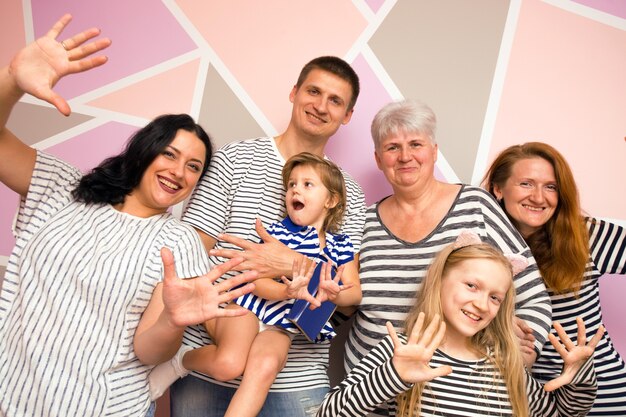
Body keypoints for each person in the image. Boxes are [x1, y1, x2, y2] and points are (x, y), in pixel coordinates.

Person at [0, 15, 256, 417]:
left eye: (194, 166)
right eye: (169, 154)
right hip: (11, 393)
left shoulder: (178, 242)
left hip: (98, 406)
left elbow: (147, 349)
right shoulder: (62, 188)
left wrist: (173, 321)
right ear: (143, 150)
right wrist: (13, 79)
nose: (178, 171)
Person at [170, 56, 367, 416]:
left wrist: (290, 264)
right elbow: (192, 249)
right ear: (294, 93)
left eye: (335, 101)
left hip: (298, 377)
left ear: (347, 115)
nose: (321, 106)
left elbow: (349, 299)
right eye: (313, 91)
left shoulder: (349, 194)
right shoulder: (236, 158)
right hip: (211, 366)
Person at [344, 100, 552, 416]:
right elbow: (346, 304)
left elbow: (534, 298)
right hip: (369, 396)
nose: (405, 157)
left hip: (450, 399)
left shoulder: (474, 205)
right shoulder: (362, 221)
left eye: (416, 144)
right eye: (392, 147)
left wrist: (521, 352)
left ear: (434, 150)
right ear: (378, 158)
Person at [149, 153, 361, 416]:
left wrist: (334, 293)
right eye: (292, 185)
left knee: (266, 366)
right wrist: (286, 291)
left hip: (282, 327)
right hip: (251, 310)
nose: (295, 189)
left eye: (308, 184)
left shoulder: (341, 246)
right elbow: (256, 282)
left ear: (331, 200)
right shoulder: (277, 234)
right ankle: (181, 360)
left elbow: (355, 293)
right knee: (228, 364)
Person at [318, 232, 602, 417]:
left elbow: (565, 414)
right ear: (439, 280)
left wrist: (581, 375)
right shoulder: (403, 351)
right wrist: (393, 374)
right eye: (471, 286)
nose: (481, 304)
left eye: (494, 297)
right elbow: (327, 413)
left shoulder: (505, 366)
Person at [484, 141, 626, 416]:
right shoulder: (479, 246)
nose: (539, 197)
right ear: (498, 189)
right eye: (526, 184)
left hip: (603, 394)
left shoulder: (586, 237)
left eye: (551, 186)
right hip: (528, 399)